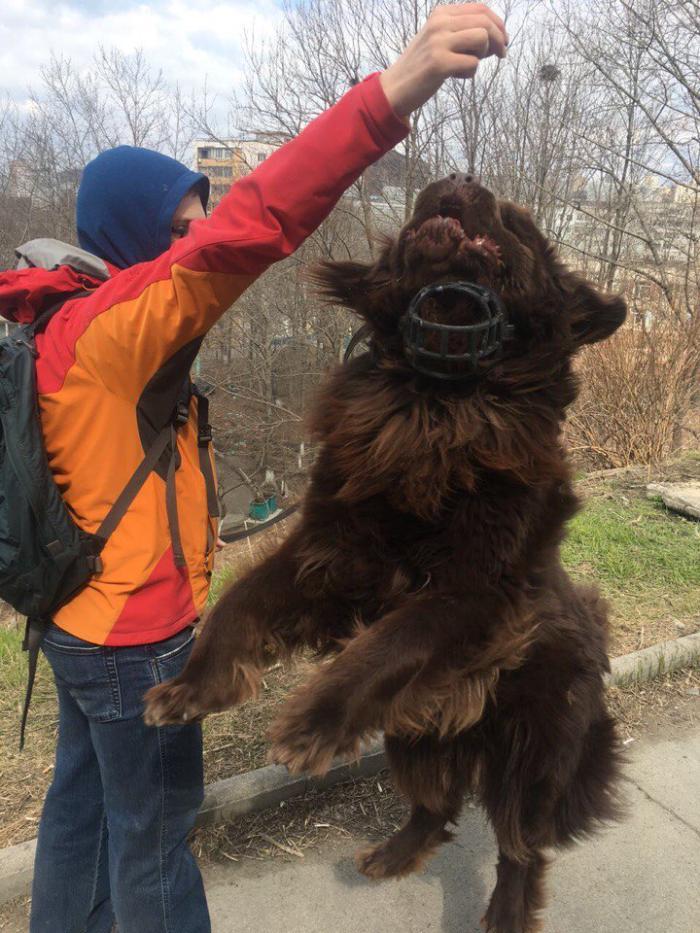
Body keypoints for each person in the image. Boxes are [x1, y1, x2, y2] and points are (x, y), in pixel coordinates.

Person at [0, 5, 507, 931]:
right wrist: (395, 93)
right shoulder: (119, 329)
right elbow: (255, 222)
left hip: (70, 621)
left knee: (79, 813)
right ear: (133, 236)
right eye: (179, 228)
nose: (195, 240)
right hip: (128, 635)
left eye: (195, 222)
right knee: (154, 840)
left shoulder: (54, 322)